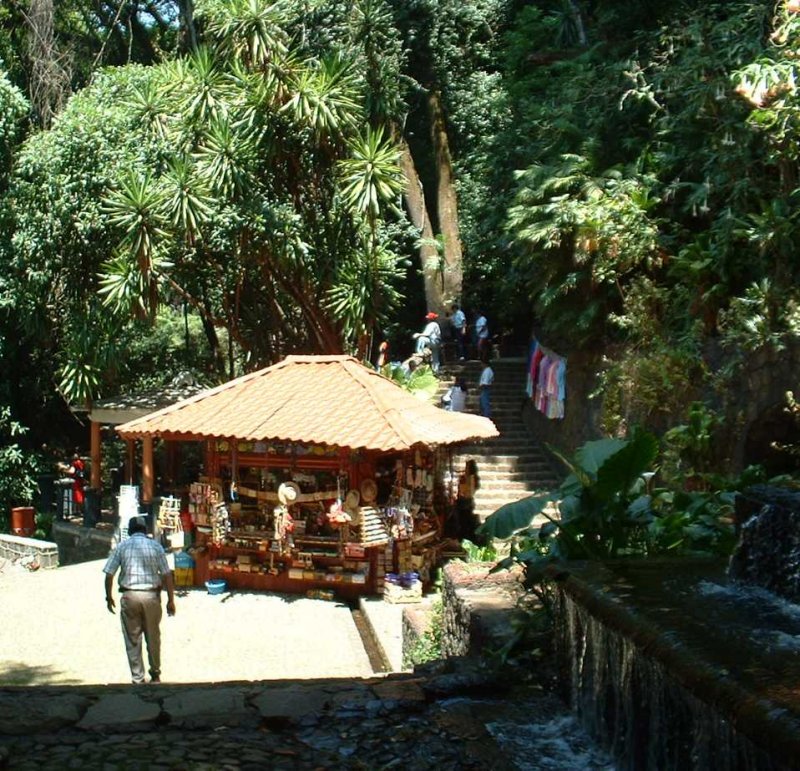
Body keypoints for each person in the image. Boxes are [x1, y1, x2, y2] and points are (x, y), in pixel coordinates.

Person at [103, 517, 176, 684]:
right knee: (153, 636)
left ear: (129, 531)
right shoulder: (156, 547)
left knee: (132, 638)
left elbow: (109, 574)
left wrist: (109, 596)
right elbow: (166, 575)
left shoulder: (122, 547)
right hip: (151, 596)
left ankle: (138, 677)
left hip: (130, 596)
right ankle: (155, 673)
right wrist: (171, 600)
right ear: (145, 530)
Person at [452, 459, 480, 542]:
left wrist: (461, 489)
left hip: (465, 503)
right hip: (465, 502)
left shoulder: (470, 478)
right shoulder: (468, 478)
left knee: (464, 524)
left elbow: (468, 492)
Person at [57, 451, 86, 516]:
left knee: (77, 496)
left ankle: (78, 511)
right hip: (80, 481)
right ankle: (80, 510)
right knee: (79, 495)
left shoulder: (76, 463)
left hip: (76, 481)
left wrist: (63, 469)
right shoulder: (81, 462)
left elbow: (72, 471)